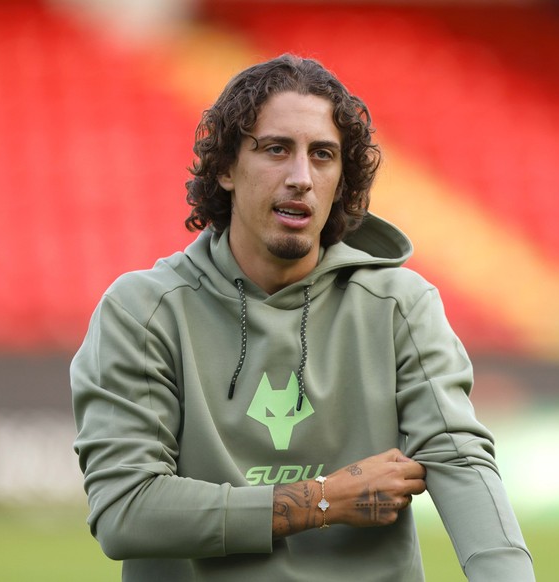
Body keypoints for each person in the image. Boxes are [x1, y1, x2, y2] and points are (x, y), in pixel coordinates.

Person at [71, 53, 534, 581]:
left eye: (322, 155)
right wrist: (321, 500)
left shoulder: (399, 305)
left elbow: (461, 463)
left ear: (342, 178)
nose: (301, 178)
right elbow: (125, 510)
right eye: (275, 150)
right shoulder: (143, 311)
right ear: (225, 167)